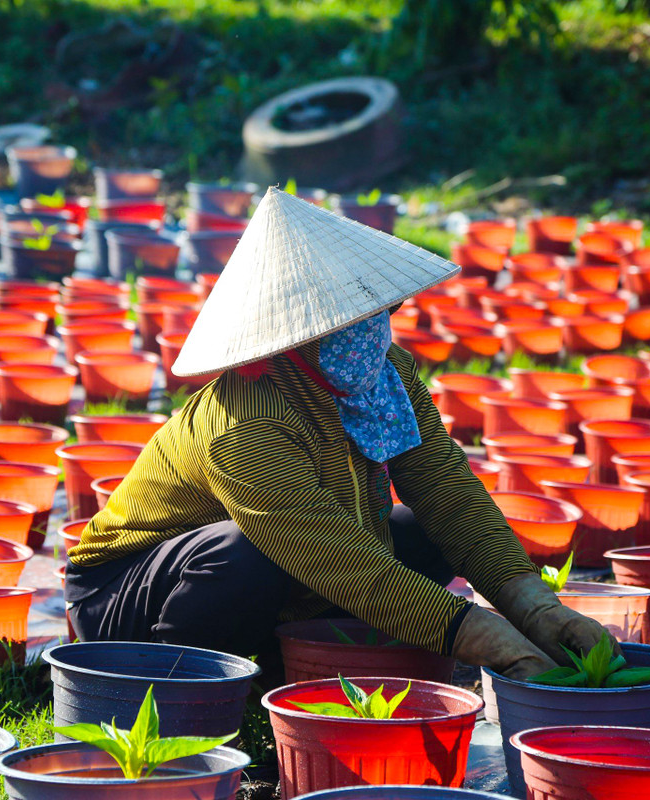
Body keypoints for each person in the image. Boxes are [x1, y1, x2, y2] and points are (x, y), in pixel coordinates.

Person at [66, 187, 616, 680]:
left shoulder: (386, 374)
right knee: (243, 556)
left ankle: (290, 660)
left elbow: (445, 487)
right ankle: (178, 683)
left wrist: (531, 603)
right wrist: (476, 633)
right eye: (347, 322)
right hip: (128, 593)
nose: (371, 331)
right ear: (297, 335)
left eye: (377, 311)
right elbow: (332, 555)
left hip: (295, 560)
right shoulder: (247, 423)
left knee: (424, 531)